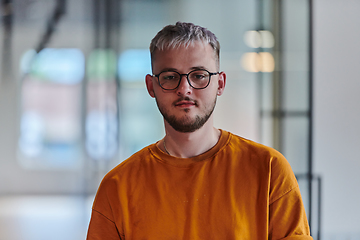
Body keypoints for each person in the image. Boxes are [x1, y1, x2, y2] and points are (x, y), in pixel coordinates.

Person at [86, 22, 313, 240]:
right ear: (151, 86)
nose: (185, 89)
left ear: (220, 83)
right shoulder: (118, 186)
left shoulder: (270, 170)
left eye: (199, 76)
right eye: (170, 77)